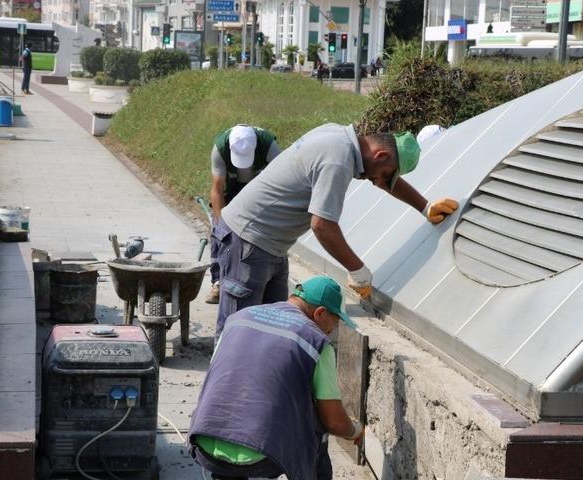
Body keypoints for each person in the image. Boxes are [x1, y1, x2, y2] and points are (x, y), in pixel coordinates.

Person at [212, 123, 459, 333]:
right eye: (385, 175)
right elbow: (322, 226)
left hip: (269, 245)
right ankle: (225, 388)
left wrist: (424, 207)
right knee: (238, 333)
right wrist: (357, 269)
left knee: (274, 329)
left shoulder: (338, 137)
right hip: (247, 242)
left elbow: (384, 181)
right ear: (381, 155)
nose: (379, 182)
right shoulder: (337, 162)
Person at [189, 276, 365, 480]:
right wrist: (355, 431)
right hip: (263, 456)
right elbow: (334, 421)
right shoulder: (315, 341)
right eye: (335, 322)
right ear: (320, 313)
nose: (332, 330)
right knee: (318, 424)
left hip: (205, 442)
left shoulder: (237, 318)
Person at [205, 125, 281, 304]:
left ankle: (261, 282)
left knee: (259, 235)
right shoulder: (220, 148)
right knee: (219, 233)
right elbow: (217, 189)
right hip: (231, 189)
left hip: (261, 189)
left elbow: (280, 182)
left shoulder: (268, 146)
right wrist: (220, 223)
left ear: (254, 148)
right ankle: (218, 281)